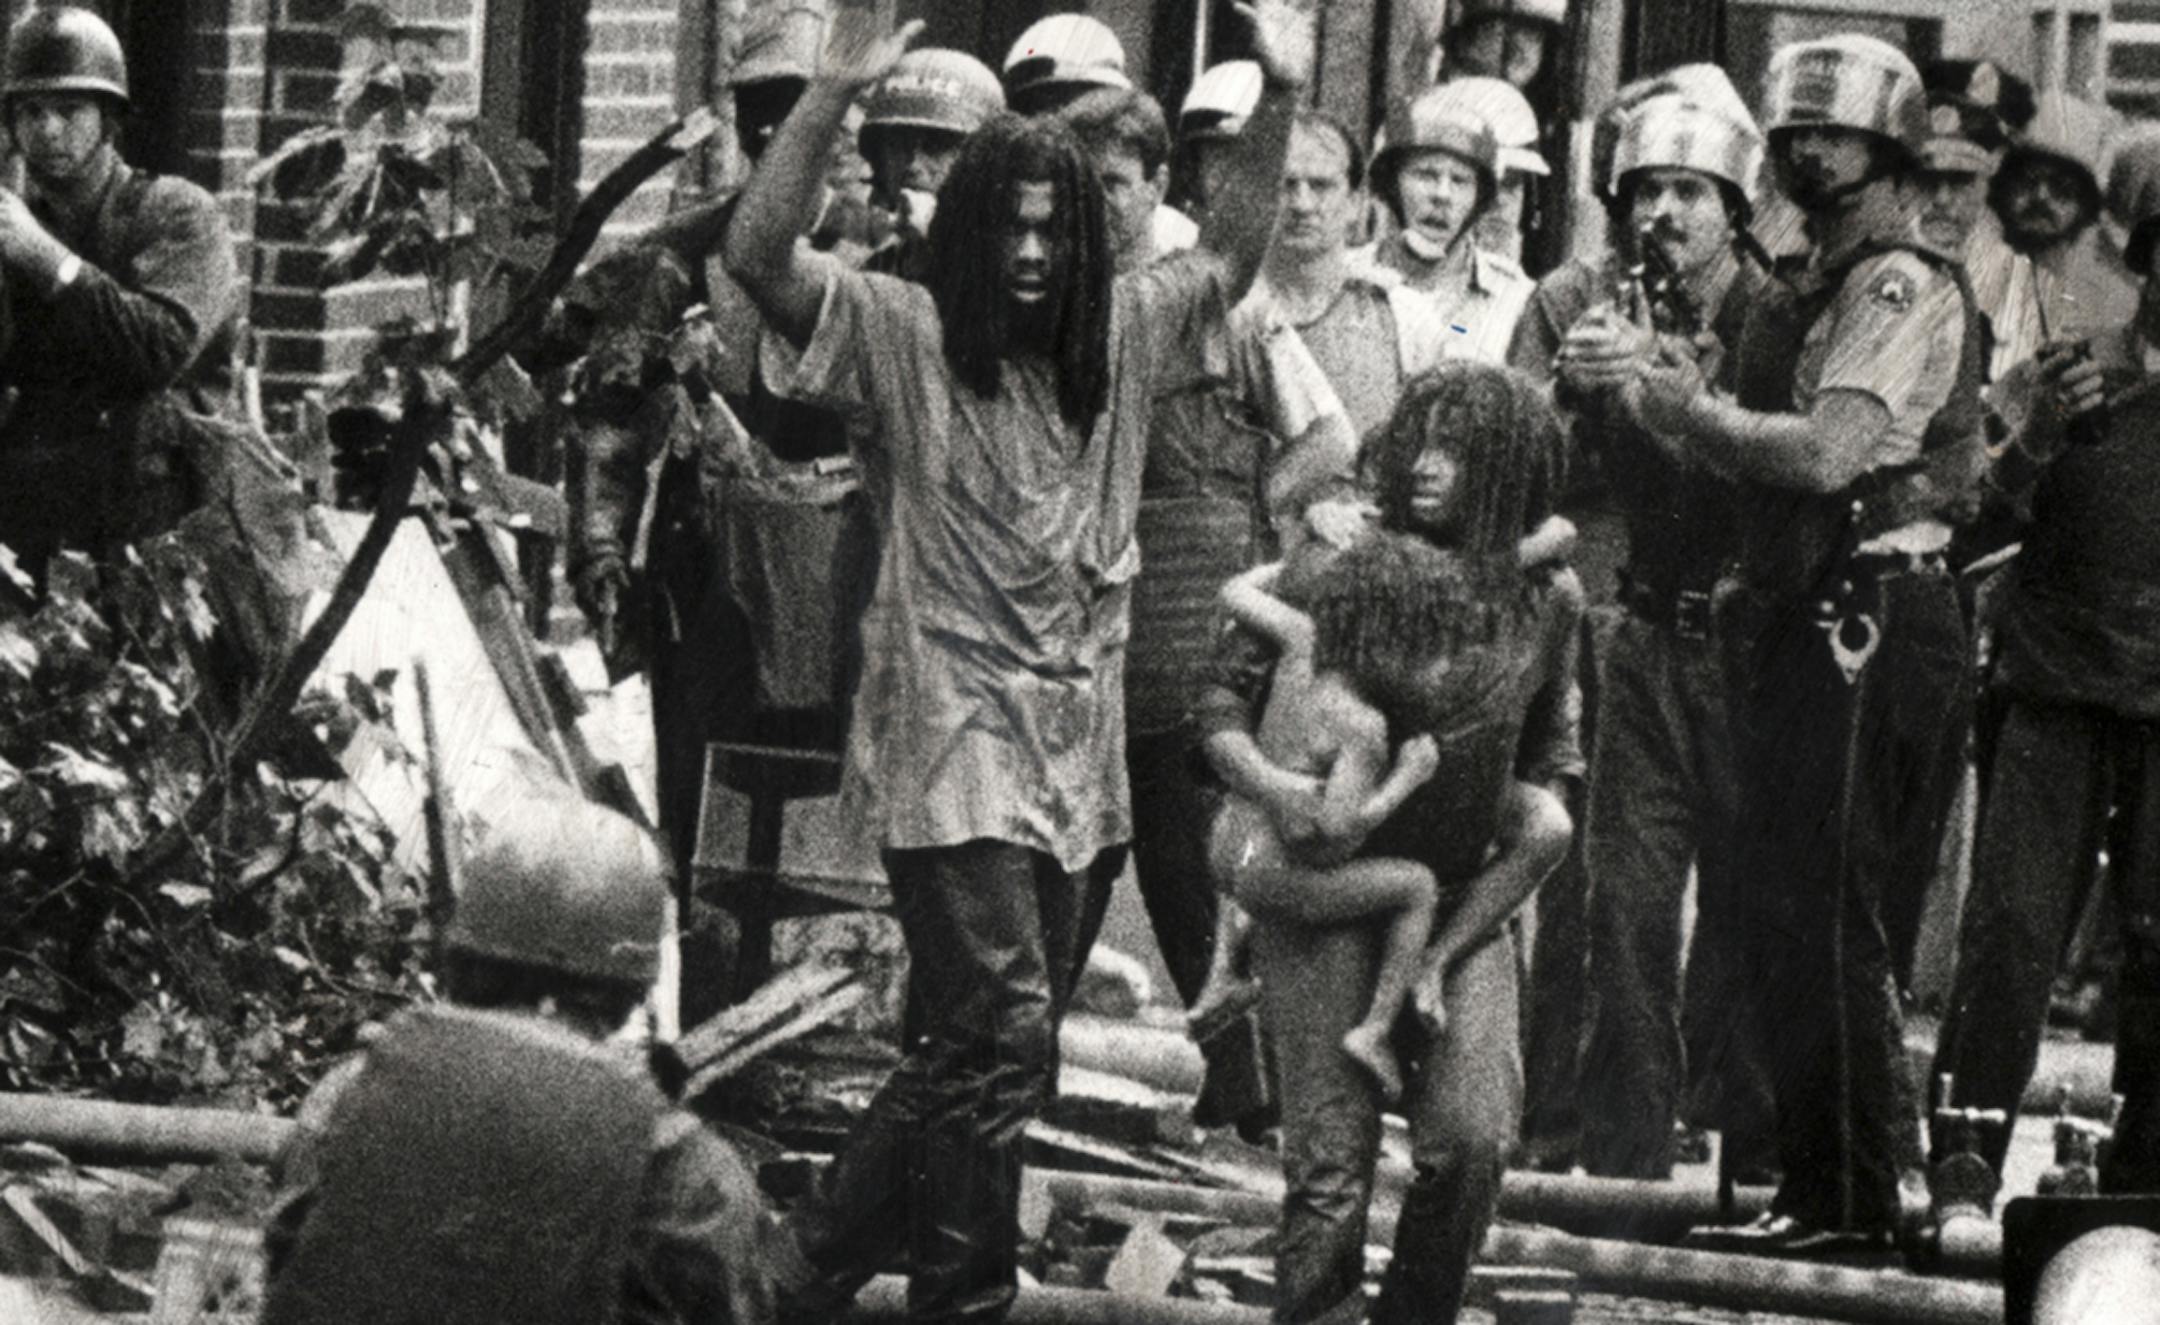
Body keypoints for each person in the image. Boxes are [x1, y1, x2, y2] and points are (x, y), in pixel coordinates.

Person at [722, 0, 1315, 1318]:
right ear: (969, 236)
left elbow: (1226, 254)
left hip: (1075, 756)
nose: (1035, 253)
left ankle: (789, 1273)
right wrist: (831, 94)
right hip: (949, 735)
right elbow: (759, 253)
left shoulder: (1128, 335)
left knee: (995, 1049)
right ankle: (956, 1297)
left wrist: (1280, 90)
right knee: (995, 1029)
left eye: (1057, 229)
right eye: (1012, 228)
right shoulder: (902, 330)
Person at [1561, 32, 1982, 1244]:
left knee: (1831, 913)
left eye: (1835, 135)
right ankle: (1815, 1186)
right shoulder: (1806, 283)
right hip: (1806, 614)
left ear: (1887, 145)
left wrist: (1689, 408)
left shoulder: (1896, 282)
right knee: (1791, 908)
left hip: (1874, 611)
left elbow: (1828, 452)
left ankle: (1852, 1193)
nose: (1810, 152)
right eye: (1796, 133)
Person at [1198, 361, 1582, 1324]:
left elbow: (1552, 755)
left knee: (1475, 1143)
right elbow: (1216, 706)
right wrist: (1275, 788)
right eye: (1422, 441)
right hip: (1326, 886)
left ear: (1510, 469)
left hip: (1453, 899)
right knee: (1332, 1167)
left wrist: (1515, 820)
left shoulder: (1549, 598)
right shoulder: (1338, 558)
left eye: (1460, 450)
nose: (1428, 465)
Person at [1059, 79, 1356, 1134]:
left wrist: (1250, 510)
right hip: (1086, 615)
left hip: (1188, 620)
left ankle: (1249, 1098)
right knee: (1076, 847)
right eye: (1086, 186)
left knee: (1182, 854)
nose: (1103, 206)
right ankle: (1019, 1064)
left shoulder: (1225, 296)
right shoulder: (1058, 291)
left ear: (1157, 187)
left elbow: (1330, 437)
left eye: (1118, 185)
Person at [262, 795, 778, 1325]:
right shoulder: (687, 1173)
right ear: (632, 988)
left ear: (464, 950)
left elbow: (287, 1261)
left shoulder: (350, 1092)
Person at [1550, 84, 1779, 1186]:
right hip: (1643, 634)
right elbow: (1542, 466)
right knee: (1627, 909)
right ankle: (1622, 1163)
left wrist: (1648, 389)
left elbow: (1775, 464)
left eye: (1689, 190)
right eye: (1645, 190)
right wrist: (1572, 391)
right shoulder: (1602, 306)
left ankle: (1753, 1166)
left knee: (1749, 907)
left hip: (1753, 646)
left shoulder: (1777, 316)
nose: (1663, 213)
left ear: (1735, 205)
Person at [1929, 133, 2160, 1195]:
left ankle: (2141, 1181)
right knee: (2012, 935)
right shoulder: (2064, 375)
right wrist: (2041, 438)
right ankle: (1963, 1161)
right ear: (2144, 257)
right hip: (2055, 692)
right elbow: (1969, 522)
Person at [1195, 543, 1466, 1097]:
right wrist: (1404, 782)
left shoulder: (1301, 640)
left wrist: (1290, 567)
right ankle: (1374, 1030)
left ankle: (1225, 973)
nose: (1441, 670)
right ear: (1392, 644)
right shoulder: (1363, 727)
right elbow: (1332, 835)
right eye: (1433, 652)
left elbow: (1233, 591)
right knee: (1417, 887)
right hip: (1270, 872)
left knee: (1259, 831)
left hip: (1229, 845)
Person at [0, 5, 242, 584]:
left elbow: (159, 347)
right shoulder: (16, 228)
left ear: (109, 120)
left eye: (69, 110)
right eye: (31, 112)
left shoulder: (179, 214)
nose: (48, 130)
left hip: (155, 540)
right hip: (33, 535)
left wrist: (48, 261)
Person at [1989, 90, 2138, 430]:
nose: (2041, 197)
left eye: (2061, 188)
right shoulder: (1971, 277)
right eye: (2028, 182)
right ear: (2003, 189)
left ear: (2085, 206)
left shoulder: (2116, 298)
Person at [1365, 84, 1536, 361]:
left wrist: (1456, 333)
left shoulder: (1516, 298)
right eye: (1425, 175)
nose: (1442, 195)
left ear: (1479, 199)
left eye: (1459, 180)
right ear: (1391, 186)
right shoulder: (1347, 277)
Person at [858, 46, 1004, 280]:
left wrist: (938, 238)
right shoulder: (871, 266)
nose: (914, 165)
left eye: (937, 146)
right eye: (899, 146)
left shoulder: (1011, 263)